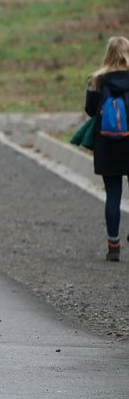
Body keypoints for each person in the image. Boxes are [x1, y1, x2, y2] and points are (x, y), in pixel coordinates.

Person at [84, 36, 129, 262]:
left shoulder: (96, 80)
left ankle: (114, 245)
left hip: (107, 143)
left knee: (113, 194)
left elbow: (91, 110)